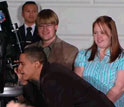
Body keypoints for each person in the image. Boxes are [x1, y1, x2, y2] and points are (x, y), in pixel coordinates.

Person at [6, 46, 115, 107]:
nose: (19, 69)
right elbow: (41, 103)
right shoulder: (50, 72)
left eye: (22, 64)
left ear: (36, 64)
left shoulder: (52, 79)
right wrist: (24, 82)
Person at [74, 15, 124, 107]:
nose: (98, 37)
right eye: (95, 33)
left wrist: (101, 105)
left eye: (102, 33)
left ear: (112, 34)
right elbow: (77, 84)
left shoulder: (121, 58)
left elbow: (120, 88)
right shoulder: (82, 55)